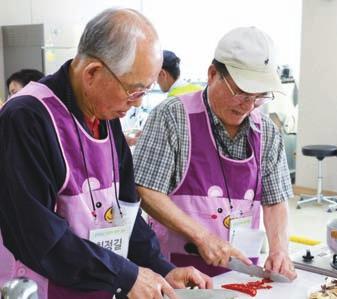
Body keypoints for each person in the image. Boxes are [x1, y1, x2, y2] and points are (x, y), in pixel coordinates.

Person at [0, 8, 211, 299]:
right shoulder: (27, 118)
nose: (136, 105)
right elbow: (39, 237)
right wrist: (126, 275)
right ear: (92, 74)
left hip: (102, 285)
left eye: (145, 92)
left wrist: (161, 269)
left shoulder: (107, 118)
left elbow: (126, 215)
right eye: (133, 91)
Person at [134, 27, 297, 280]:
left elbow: (275, 199)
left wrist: (279, 250)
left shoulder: (266, 131)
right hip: (176, 273)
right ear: (212, 74)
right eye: (241, 92)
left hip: (241, 274)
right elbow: (144, 189)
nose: (249, 104)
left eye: (259, 96)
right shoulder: (172, 117)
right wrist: (202, 237)